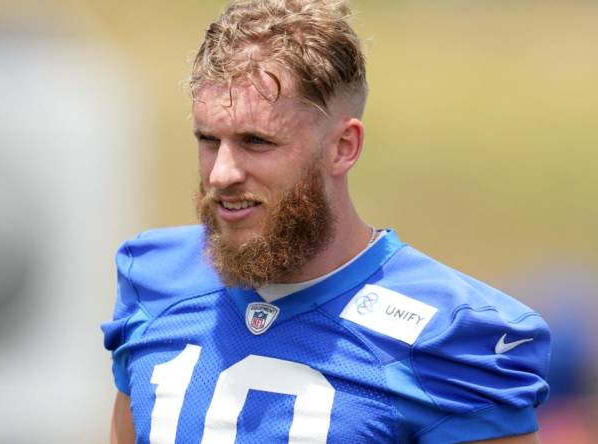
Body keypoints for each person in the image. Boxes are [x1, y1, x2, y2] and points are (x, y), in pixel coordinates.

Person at [102, 1, 550, 442]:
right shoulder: (157, 278)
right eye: (208, 140)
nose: (222, 173)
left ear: (343, 147)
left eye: (256, 141)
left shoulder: (450, 337)